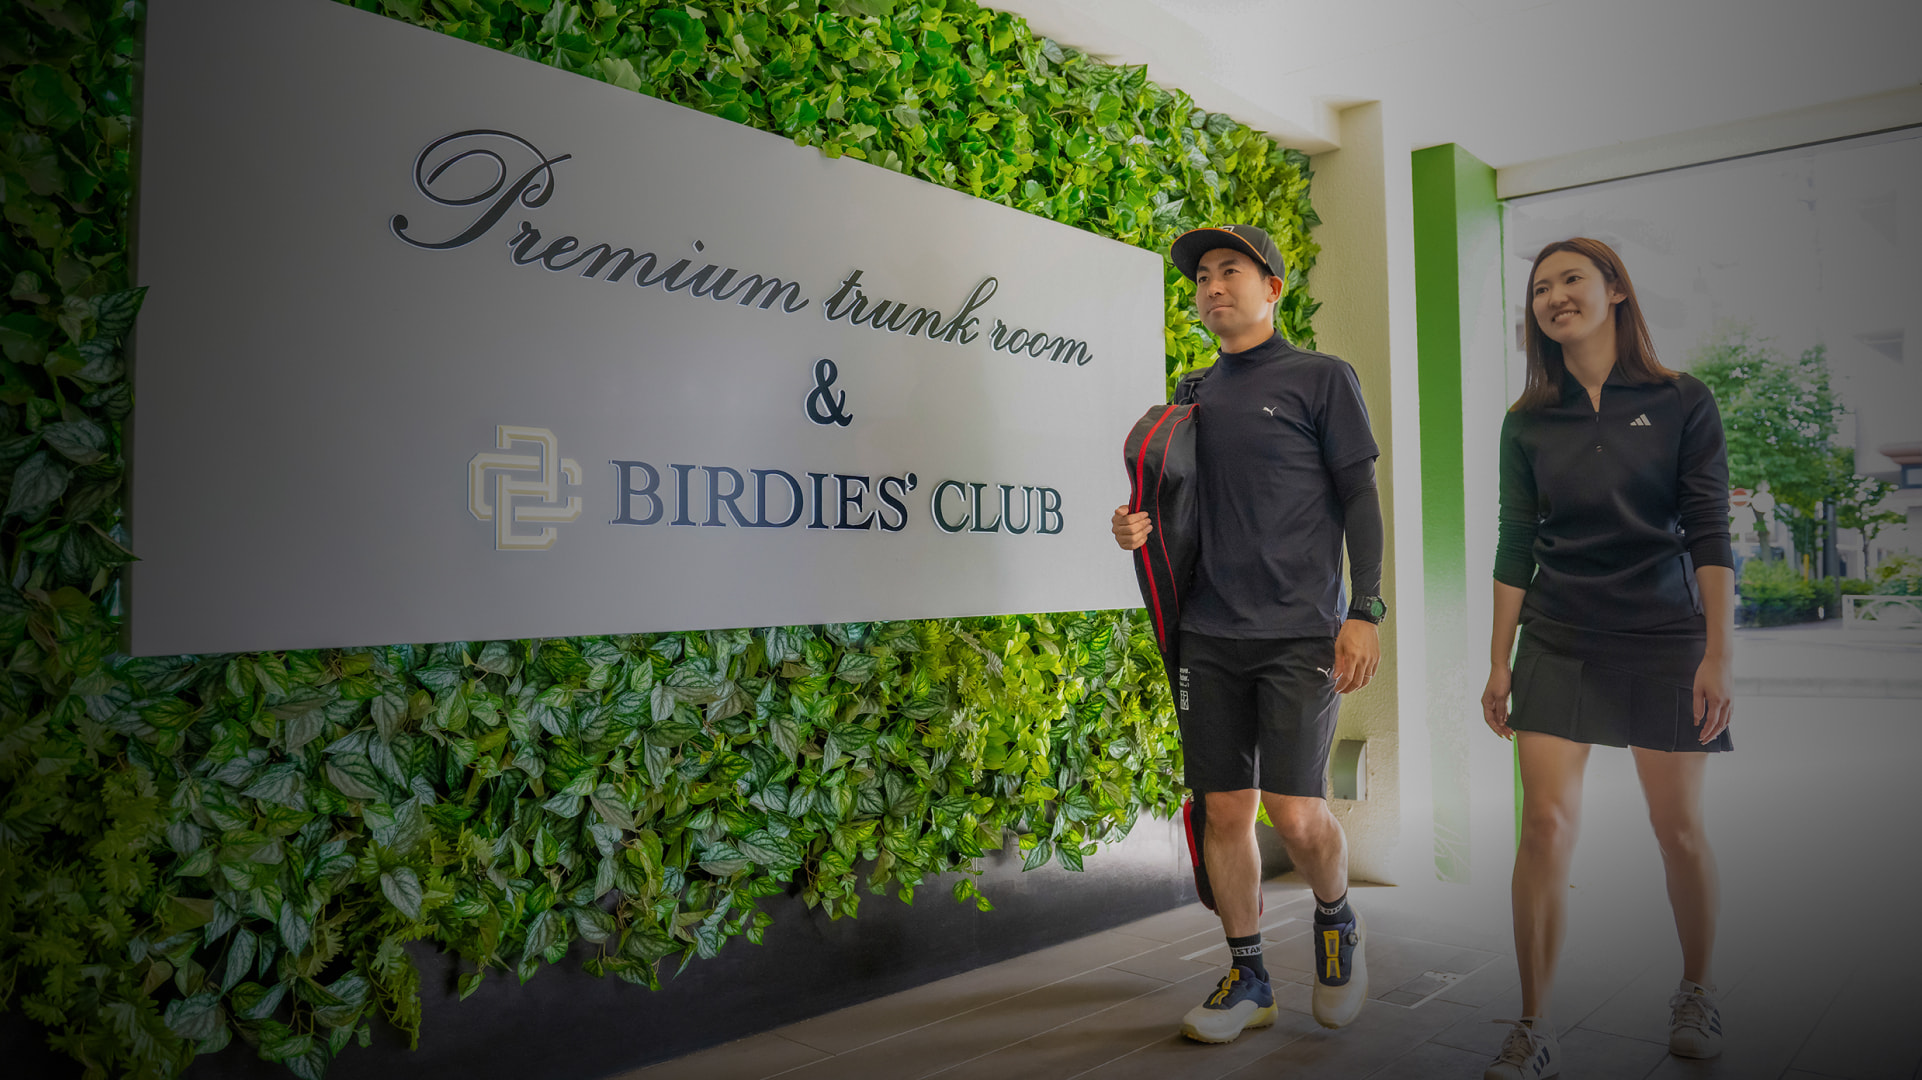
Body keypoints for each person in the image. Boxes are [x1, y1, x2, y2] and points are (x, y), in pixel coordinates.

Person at [1111, 224, 1387, 1044]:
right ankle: (1249, 974)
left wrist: (1364, 611)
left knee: (1297, 814)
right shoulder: (1191, 396)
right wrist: (1133, 528)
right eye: (1201, 277)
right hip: (1209, 633)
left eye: (1230, 270)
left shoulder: (1322, 379)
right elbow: (1170, 509)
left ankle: (1336, 923)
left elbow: (1362, 501)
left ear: (1274, 288)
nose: (1211, 285)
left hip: (1301, 633)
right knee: (1223, 811)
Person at [1479, 238, 1734, 1080]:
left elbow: (1709, 535)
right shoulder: (1527, 421)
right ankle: (1533, 1020)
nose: (1555, 296)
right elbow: (1517, 544)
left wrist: (1718, 656)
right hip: (1558, 632)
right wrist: (1499, 660)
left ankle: (1696, 990)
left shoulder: (1681, 401)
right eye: (1541, 287)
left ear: (1615, 289)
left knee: (1678, 830)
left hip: (1665, 633)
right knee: (1544, 827)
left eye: (1573, 280)